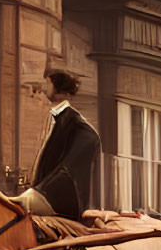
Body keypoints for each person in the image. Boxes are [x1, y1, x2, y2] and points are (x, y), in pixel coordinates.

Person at [15, 70, 99, 220]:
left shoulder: (74, 122)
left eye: (49, 84)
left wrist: (41, 191)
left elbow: (90, 140)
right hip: (44, 192)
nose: (45, 87)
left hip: (61, 199)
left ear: (61, 91)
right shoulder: (55, 117)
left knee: (16, 206)